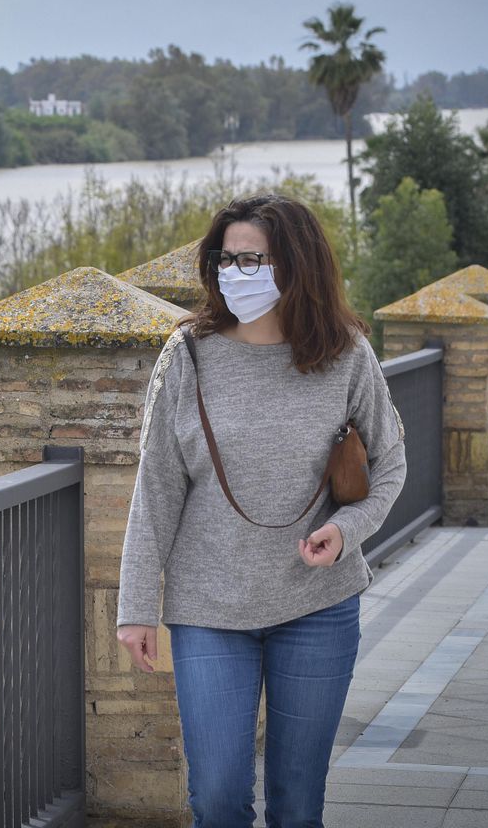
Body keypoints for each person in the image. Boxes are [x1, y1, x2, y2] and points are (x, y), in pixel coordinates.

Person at [115, 192, 407, 828]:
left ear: (297, 265)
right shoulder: (187, 355)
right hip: (209, 608)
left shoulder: (346, 354)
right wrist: (135, 607)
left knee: (297, 806)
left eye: (253, 260)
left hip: (318, 605)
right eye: (226, 259)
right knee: (218, 797)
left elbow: (390, 463)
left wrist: (345, 529)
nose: (234, 273)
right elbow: (155, 487)